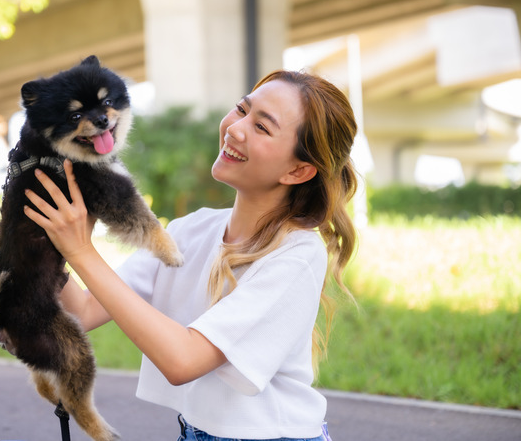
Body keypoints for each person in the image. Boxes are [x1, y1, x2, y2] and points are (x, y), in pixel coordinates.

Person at [21, 69, 358, 441]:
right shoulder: (191, 230)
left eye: (262, 127)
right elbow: (82, 311)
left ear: (298, 170)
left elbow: (184, 360)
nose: (235, 128)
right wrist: (46, 244)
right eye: (241, 110)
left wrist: (82, 251)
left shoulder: (297, 254)